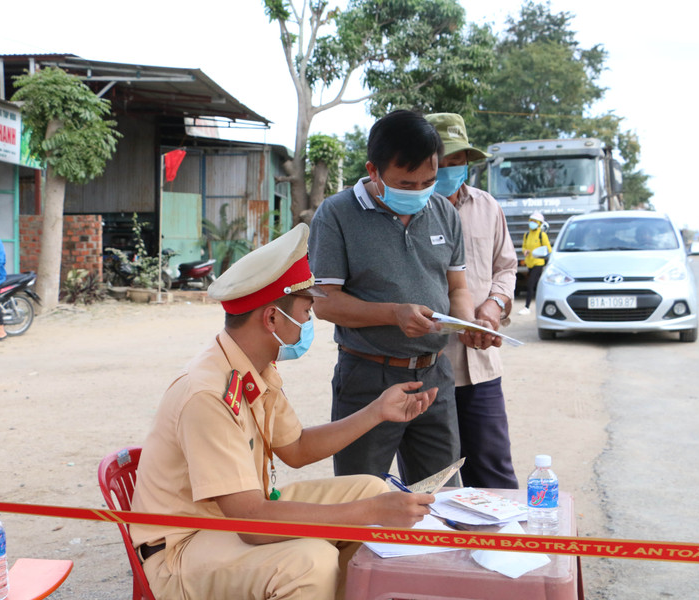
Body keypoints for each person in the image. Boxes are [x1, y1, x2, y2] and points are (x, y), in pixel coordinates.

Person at [129, 223, 438, 600]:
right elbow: (251, 522)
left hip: (227, 522)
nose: (309, 322)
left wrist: (377, 411)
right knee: (311, 561)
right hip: (184, 547)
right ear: (272, 318)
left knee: (370, 487)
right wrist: (369, 512)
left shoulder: (255, 367)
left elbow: (297, 449)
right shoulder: (208, 393)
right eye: (305, 310)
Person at [308, 109, 495, 487]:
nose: (420, 192)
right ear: (373, 170)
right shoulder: (336, 214)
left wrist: (468, 324)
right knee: (361, 496)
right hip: (367, 376)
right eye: (407, 184)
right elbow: (325, 301)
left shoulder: (443, 210)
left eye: (428, 180)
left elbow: (457, 287)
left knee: (440, 493)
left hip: (435, 375)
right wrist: (395, 313)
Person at [424, 112, 519, 489]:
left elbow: (506, 267)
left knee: (494, 473)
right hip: (427, 364)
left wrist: (493, 306)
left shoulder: (487, 207)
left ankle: (500, 549)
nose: (450, 169)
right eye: (441, 162)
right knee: (435, 480)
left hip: (479, 364)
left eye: (457, 161)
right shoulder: (408, 211)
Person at [518, 211, 552, 316]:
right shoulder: (526, 235)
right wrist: (525, 251)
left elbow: (548, 249)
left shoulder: (542, 235)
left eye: (535, 221)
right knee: (537, 285)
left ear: (539, 223)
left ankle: (527, 307)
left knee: (530, 284)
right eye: (531, 221)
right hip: (530, 263)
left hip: (539, 262)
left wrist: (540, 253)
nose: (532, 223)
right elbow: (524, 246)